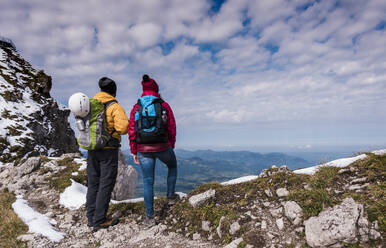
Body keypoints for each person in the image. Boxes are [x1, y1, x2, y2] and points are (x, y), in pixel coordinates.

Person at [128, 74, 178, 227]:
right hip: (163, 146)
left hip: (143, 149)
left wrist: (134, 151)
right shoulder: (164, 105)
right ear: (156, 90)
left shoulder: (137, 107)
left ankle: (149, 218)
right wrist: (171, 144)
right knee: (172, 166)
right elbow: (171, 127)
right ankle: (170, 197)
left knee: (148, 182)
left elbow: (132, 130)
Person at [86, 77, 129, 231]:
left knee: (93, 184)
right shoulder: (114, 106)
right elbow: (123, 127)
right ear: (113, 91)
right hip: (108, 150)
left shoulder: (89, 105)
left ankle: (91, 218)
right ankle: (99, 220)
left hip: (91, 150)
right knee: (106, 184)